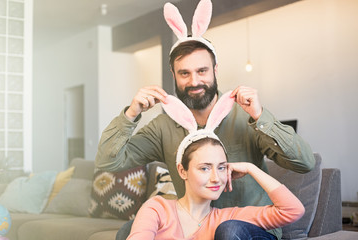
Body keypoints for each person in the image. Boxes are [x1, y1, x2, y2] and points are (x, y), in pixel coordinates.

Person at [96, 0, 315, 239]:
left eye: (202, 71)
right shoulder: (163, 126)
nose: (194, 82)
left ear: (215, 70)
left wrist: (261, 117)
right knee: (128, 230)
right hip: (196, 228)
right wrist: (131, 114)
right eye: (184, 73)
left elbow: (304, 163)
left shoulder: (244, 117)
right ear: (174, 75)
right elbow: (108, 163)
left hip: (245, 228)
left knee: (228, 231)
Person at [126, 95, 305, 239]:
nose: (215, 178)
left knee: (229, 230)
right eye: (204, 168)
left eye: (221, 168)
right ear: (182, 171)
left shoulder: (227, 219)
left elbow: (293, 210)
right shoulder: (158, 209)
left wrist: (252, 168)